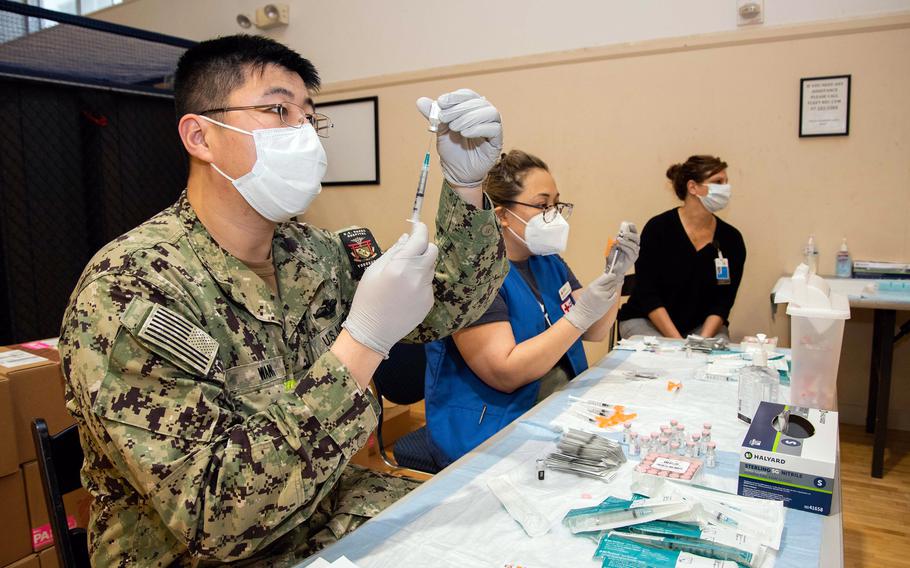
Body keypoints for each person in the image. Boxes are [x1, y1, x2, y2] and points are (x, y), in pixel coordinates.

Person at [58, 34, 508, 566]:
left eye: (309, 117)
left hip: (326, 512)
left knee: (495, 537)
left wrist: (465, 187)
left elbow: (451, 304)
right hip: (204, 554)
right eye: (277, 110)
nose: (303, 133)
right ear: (199, 135)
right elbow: (216, 514)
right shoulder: (130, 287)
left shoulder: (313, 252)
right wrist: (362, 342)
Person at [423, 150, 639, 468]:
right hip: (491, 429)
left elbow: (594, 330)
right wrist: (579, 316)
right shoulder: (471, 276)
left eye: (556, 204)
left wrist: (615, 277)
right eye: (542, 205)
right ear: (501, 215)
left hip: (557, 405)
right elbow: (505, 373)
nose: (554, 215)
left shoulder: (546, 260)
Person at [618, 154, 746, 341]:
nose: (726, 188)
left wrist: (700, 342)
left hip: (701, 327)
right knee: (663, 360)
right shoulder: (658, 229)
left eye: (726, 182)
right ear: (692, 187)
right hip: (647, 321)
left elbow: (722, 303)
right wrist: (678, 344)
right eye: (718, 182)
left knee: (713, 363)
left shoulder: (731, 239)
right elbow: (648, 295)